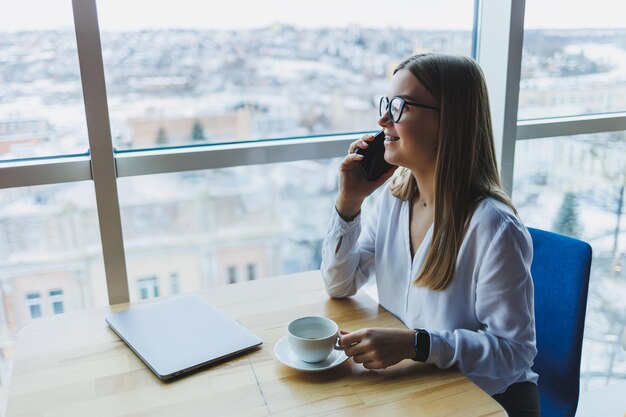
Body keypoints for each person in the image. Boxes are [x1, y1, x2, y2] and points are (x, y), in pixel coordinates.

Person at [321, 53, 540, 417]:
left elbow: (513, 354)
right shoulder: (394, 201)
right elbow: (339, 284)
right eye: (386, 104)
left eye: (400, 107)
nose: (383, 119)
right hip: (421, 385)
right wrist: (349, 202)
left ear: (450, 121)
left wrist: (418, 344)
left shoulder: (494, 228)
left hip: (486, 398)